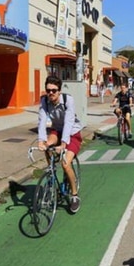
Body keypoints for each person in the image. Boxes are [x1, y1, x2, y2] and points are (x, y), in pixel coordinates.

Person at [37, 75, 83, 213]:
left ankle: (74, 195)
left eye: (54, 90)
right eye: (48, 90)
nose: (50, 93)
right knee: (46, 145)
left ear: (59, 90)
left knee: (65, 163)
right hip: (57, 130)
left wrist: (63, 144)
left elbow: (69, 122)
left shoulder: (68, 100)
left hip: (73, 133)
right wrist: (41, 141)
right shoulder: (44, 101)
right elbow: (42, 121)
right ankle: (51, 171)